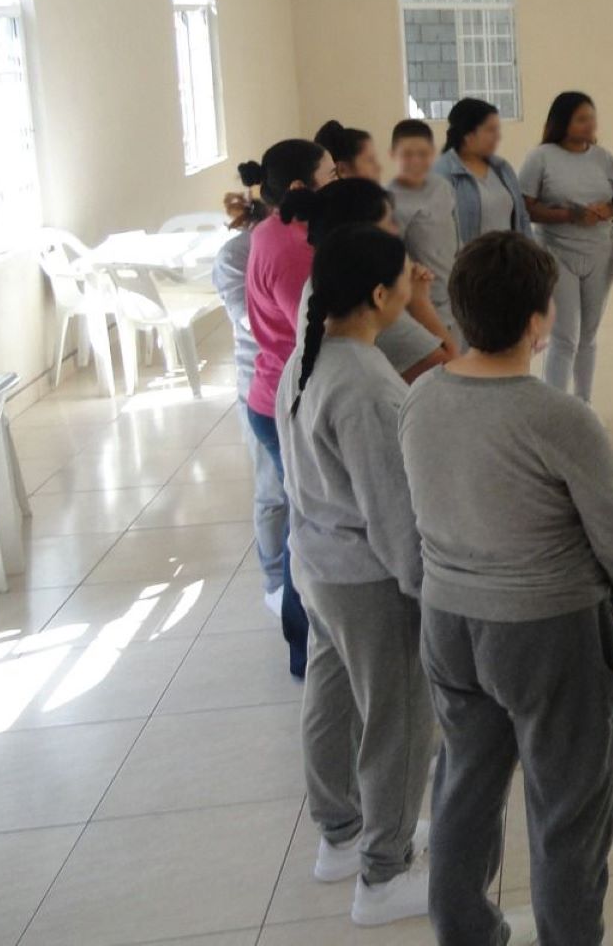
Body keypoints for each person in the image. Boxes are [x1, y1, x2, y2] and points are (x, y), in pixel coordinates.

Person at [401, 231, 613, 946]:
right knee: (568, 809)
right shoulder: (557, 416)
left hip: (448, 620)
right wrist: (602, 596)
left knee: (464, 788)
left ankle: (463, 930)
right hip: (546, 627)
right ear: (539, 321)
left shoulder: (421, 399)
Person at [277, 224, 434, 928]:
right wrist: (425, 591)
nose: (415, 282)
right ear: (378, 294)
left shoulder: (308, 357)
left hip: (316, 561)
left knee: (332, 696)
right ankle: (384, 871)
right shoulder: (367, 384)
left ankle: (339, 833)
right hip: (365, 577)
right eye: (407, 276)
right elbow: (392, 512)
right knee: (399, 717)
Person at [244, 136, 335, 677]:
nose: (338, 176)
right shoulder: (294, 248)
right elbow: (314, 331)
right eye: (330, 171)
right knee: (311, 528)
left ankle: (310, 643)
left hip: (276, 390)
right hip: (288, 397)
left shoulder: (272, 227)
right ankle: (306, 648)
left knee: (309, 521)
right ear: (303, 186)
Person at [288, 178, 454, 381]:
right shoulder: (367, 306)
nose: (396, 232)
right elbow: (454, 376)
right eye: (389, 223)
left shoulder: (323, 280)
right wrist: (419, 302)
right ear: (363, 236)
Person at [520, 91, 613, 400]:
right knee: (565, 336)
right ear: (562, 122)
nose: (590, 124)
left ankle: (584, 404)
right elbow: (526, 207)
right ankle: (556, 406)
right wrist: (569, 215)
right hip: (557, 253)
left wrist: (607, 210)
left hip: (599, 253)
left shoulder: (604, 157)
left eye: (591, 117)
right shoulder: (541, 157)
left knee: (588, 336)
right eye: (581, 119)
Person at [213, 173, 281, 609]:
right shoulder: (236, 254)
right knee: (272, 486)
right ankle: (275, 580)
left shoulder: (303, 240)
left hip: (297, 374)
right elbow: (248, 319)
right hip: (259, 381)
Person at [388, 120, 460, 342]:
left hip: (454, 303)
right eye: (407, 154)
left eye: (423, 153)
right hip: (419, 311)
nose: (416, 161)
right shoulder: (387, 201)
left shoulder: (443, 187)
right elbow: (393, 263)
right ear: (393, 154)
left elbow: (456, 241)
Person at [434, 97, 531, 244]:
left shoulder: (503, 169)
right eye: (490, 130)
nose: (498, 136)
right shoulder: (443, 172)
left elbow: (522, 218)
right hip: (468, 263)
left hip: (510, 261)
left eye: (497, 130)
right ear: (468, 135)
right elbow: (440, 230)